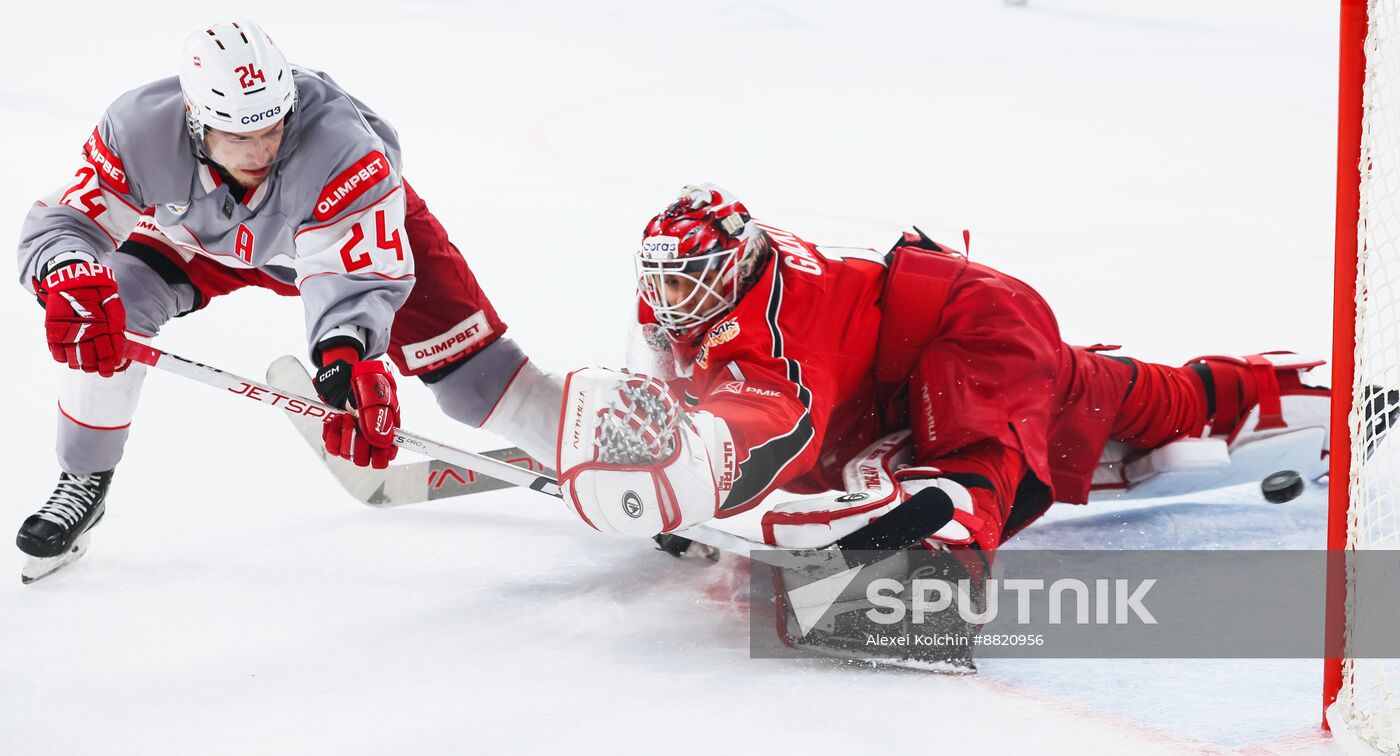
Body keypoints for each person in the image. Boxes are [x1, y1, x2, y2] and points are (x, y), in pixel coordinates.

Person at [14, 20, 560, 575]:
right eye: (240, 136)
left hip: (352, 232)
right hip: (200, 236)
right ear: (196, 122)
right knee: (109, 311)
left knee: (476, 383)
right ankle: (84, 478)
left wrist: (345, 363)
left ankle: (605, 459)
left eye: (272, 129)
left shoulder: (345, 150)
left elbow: (352, 280)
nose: (261, 151)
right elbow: (67, 220)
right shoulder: (139, 129)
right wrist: (67, 272)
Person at [554, 183, 1331, 554]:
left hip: (971, 327)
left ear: (736, 266)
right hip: (903, 363)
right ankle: (1279, 391)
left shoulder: (787, 320)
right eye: (660, 276)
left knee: (973, 439)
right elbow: (713, 388)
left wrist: (700, 475)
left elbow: (781, 421)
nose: (667, 295)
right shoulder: (702, 290)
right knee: (1112, 395)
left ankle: (950, 539)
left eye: (686, 278)